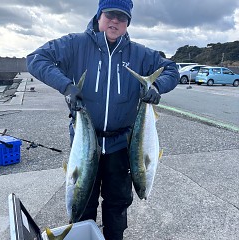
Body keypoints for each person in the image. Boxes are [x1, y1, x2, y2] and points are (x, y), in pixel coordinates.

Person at [27, 0, 179, 239]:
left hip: (121, 144)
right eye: (110, 14)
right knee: (82, 202)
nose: (115, 21)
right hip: (84, 145)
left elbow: (172, 69)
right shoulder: (75, 44)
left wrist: (158, 86)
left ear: (128, 22)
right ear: (99, 15)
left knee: (117, 205)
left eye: (122, 17)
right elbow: (36, 59)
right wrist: (66, 86)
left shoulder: (139, 53)